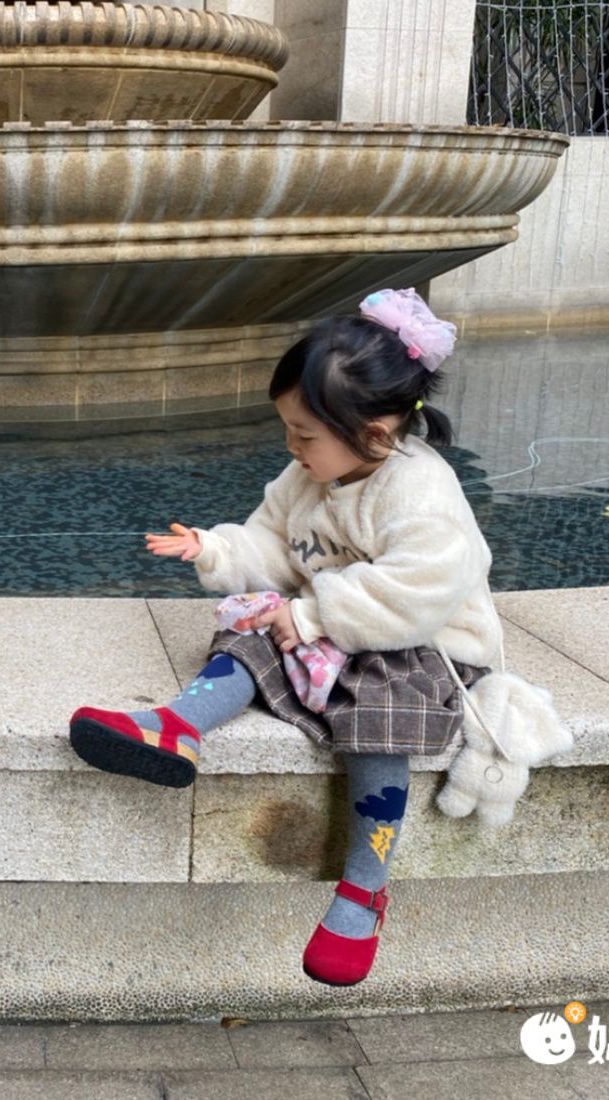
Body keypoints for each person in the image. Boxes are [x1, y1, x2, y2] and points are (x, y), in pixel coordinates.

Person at [69, 289, 510, 987]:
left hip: (426, 646)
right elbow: (274, 542)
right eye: (288, 430)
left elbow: (418, 593)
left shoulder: (421, 494)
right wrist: (216, 549)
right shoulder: (309, 474)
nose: (291, 448)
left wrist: (310, 617)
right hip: (335, 623)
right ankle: (176, 727)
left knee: (379, 708)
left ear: (374, 434)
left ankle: (364, 888)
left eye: (304, 435)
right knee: (250, 628)